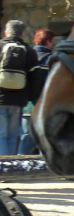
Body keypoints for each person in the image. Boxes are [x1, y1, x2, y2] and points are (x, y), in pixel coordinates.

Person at [0, 20, 42, 155]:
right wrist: (30, 98)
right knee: (13, 135)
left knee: (1, 133)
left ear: (6, 32)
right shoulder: (29, 51)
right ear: (22, 34)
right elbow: (35, 79)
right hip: (18, 100)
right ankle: (10, 165)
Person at [18, 27, 55, 155]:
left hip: (26, 105)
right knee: (44, 137)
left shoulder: (26, 54)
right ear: (49, 41)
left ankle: (18, 164)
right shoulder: (52, 59)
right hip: (45, 105)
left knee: (26, 136)